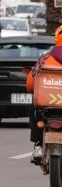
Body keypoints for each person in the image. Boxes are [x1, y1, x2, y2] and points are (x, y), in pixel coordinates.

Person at [28, 26, 62, 161]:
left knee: (35, 110)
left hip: (48, 103)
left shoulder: (45, 58)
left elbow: (31, 83)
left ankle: (38, 145)